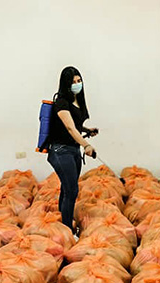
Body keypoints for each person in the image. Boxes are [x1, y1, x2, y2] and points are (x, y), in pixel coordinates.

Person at [45, 66, 98, 234]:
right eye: (73, 82)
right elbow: (68, 127)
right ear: (65, 84)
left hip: (73, 150)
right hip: (61, 151)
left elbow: (75, 126)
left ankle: (63, 224)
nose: (77, 84)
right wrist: (86, 145)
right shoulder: (62, 101)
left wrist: (86, 130)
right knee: (72, 189)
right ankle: (68, 230)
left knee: (67, 188)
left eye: (79, 80)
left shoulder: (77, 100)